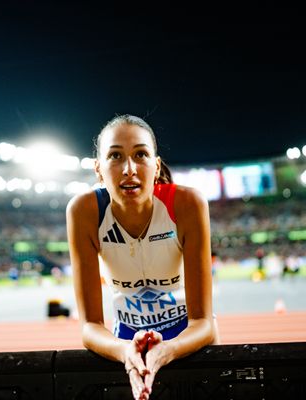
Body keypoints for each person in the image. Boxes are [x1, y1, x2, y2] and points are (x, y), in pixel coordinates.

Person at [66, 114, 219, 400]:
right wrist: (124, 350)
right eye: (115, 156)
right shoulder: (84, 212)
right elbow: (90, 327)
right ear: (98, 169)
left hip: (190, 341)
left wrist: (169, 348)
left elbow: (204, 323)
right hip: (125, 343)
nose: (129, 169)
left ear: (156, 165)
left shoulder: (186, 204)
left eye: (141, 154)